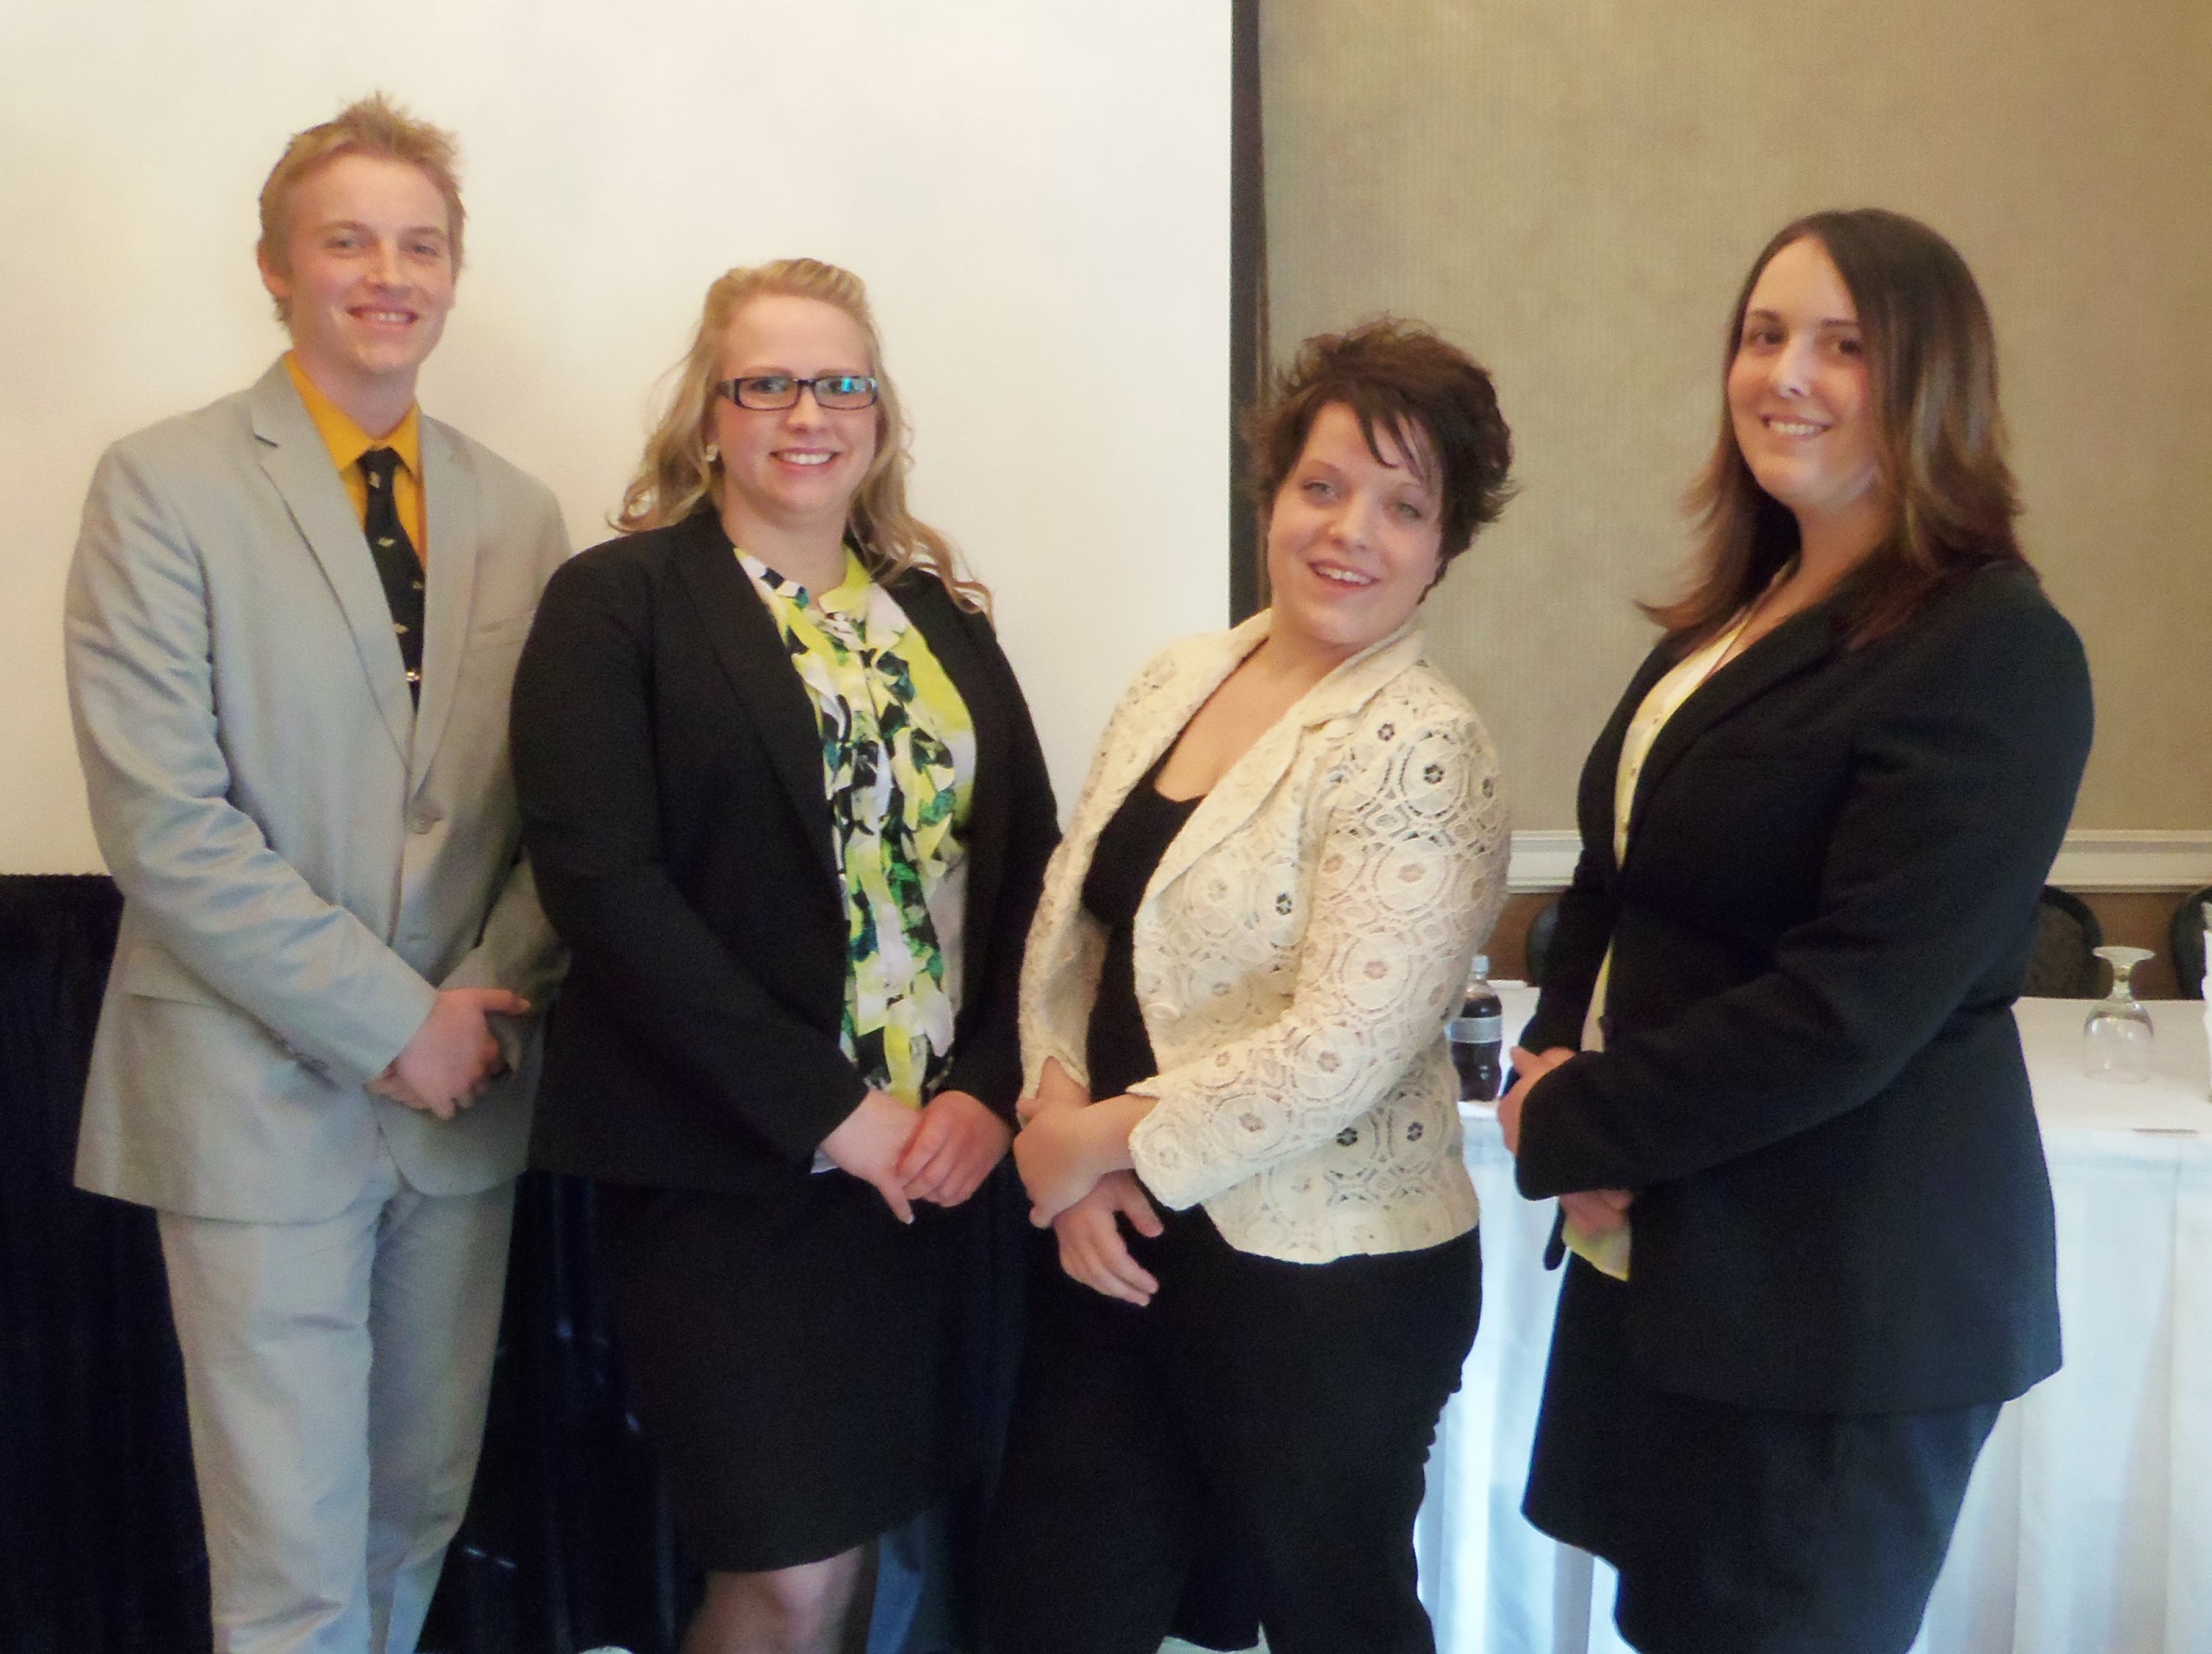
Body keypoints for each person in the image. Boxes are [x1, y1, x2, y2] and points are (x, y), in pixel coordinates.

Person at [1498, 209, 2094, 1653]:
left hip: (1843, 1297)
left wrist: (1594, 1127)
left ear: (1930, 381)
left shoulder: (1992, 645)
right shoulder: (1735, 615)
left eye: (1844, 344)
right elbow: (1613, 880)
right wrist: (1550, 1060)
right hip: (1686, 1266)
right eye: (1764, 335)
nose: (1788, 373)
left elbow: (1855, 1004)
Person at [64, 95, 570, 1653]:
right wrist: (389, 1018)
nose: (386, 271)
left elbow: (565, 812)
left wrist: (479, 1002)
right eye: (346, 238)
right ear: (276, 268)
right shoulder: (162, 486)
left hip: (466, 1098)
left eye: (419, 243)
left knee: (408, 1515)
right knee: (288, 1561)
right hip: (253, 1097)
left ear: (454, 272)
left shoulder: (520, 509)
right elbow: (164, 821)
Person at [509, 258, 1058, 1654]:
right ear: (708, 417)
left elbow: (1031, 883)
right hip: (731, 1177)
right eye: (766, 382)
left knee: (878, 1548)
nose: (805, 412)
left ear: (877, 416)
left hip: (934, 1176)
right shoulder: (616, 603)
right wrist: (831, 1111)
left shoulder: (941, 622)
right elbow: (604, 889)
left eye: (839, 382)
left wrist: (985, 1088)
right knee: (790, 1568)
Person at [987, 320, 1514, 1654]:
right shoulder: (1183, 672)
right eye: (1323, 485)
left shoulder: (1424, 742)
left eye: (1404, 506)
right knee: (1060, 1602)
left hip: (1325, 1281)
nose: (1351, 530)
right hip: (1125, 1243)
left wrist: (1083, 1144)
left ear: (1447, 545)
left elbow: (1336, 1048)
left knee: (1333, 1619)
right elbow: (1071, 928)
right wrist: (1068, 1134)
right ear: (1273, 493)